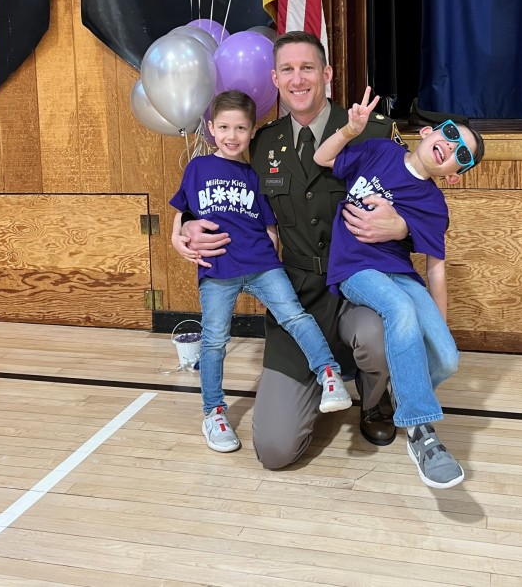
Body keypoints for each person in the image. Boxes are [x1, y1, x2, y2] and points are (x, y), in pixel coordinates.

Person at [173, 31, 410, 468]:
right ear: (275, 79)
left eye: (307, 68)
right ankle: (320, 377)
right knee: (276, 452)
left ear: (327, 74)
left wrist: (401, 226)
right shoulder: (261, 143)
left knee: (375, 339)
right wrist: (181, 227)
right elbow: (216, 192)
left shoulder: (372, 131)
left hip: (358, 288)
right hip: (297, 293)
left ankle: (375, 399)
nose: (298, 79)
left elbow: (420, 208)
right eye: (287, 70)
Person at [314, 87, 485, 488]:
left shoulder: (433, 204)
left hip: (401, 275)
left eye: (462, 154)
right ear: (428, 132)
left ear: (454, 175)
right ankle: (421, 431)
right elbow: (324, 158)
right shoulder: (379, 152)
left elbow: (436, 269)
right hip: (355, 268)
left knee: (446, 359)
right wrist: (349, 130)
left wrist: (439, 326)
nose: (452, 147)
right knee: (399, 311)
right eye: (451, 134)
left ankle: (401, 387)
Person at [169, 90, 352, 454]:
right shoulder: (198, 168)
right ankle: (214, 412)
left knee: (294, 315)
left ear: (253, 131)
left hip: (261, 265)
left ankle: (329, 373)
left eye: (240, 127)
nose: (231, 135)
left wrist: (268, 256)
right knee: (215, 341)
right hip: (217, 269)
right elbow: (183, 211)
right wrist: (178, 236)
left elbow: (270, 226)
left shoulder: (255, 175)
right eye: (223, 127)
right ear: (210, 128)